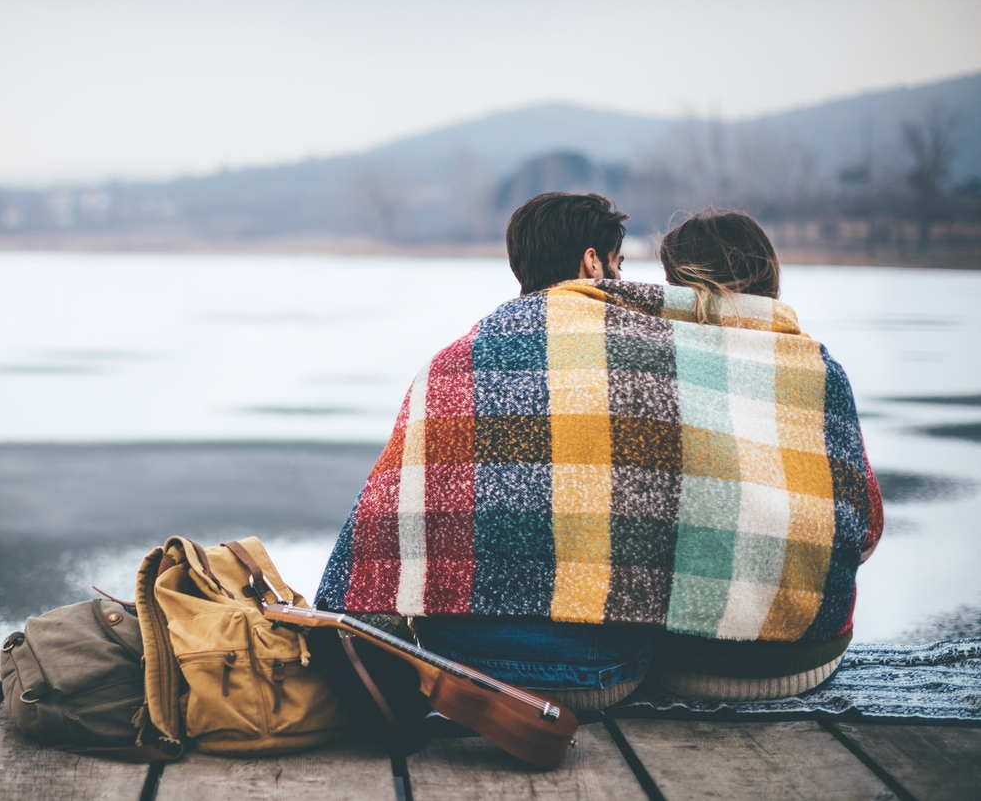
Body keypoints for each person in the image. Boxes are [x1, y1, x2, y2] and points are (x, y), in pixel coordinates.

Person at [316, 194, 884, 711]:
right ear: (594, 263)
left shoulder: (450, 361)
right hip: (735, 662)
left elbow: (380, 524)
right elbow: (865, 532)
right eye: (621, 265)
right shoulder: (761, 367)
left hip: (464, 667)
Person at [646, 208, 883, 700]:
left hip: (676, 661)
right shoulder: (823, 369)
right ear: (769, 274)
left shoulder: (652, 366)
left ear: (676, 284)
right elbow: (867, 529)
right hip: (806, 659)